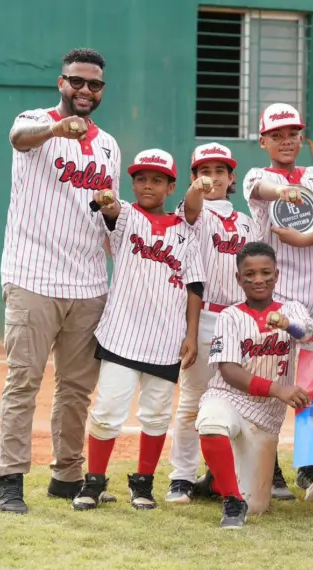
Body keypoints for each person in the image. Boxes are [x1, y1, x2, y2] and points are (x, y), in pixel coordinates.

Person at [0, 47, 121, 514]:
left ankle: (67, 478)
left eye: (95, 84)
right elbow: (18, 139)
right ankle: (9, 480)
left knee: (75, 390)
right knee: (23, 382)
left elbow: (105, 214)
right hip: (32, 277)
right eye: (78, 81)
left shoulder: (109, 145)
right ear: (61, 83)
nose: (86, 90)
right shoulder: (35, 121)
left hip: (88, 284)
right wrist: (55, 129)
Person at [71, 149, 205, 511]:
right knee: (107, 411)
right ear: (132, 184)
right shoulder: (128, 216)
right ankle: (94, 482)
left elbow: (195, 287)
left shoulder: (186, 230)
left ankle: (143, 484)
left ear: (171, 187)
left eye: (157, 180)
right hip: (122, 334)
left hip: (166, 339)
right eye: (141, 179)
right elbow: (111, 209)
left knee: (156, 414)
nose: (148, 185)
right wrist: (107, 200)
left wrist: (191, 335)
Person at [242, 102, 313, 499]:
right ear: (264, 140)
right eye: (277, 135)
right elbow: (261, 190)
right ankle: (269, 470)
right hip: (280, 301)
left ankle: (309, 465)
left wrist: (303, 239)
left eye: (293, 134)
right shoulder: (258, 175)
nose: (286, 141)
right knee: (276, 383)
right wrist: (282, 191)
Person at [193, 241, 313, 528]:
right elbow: (228, 371)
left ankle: (215, 481)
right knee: (211, 421)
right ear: (239, 278)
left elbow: (308, 333)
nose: (258, 279)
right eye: (249, 274)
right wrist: (278, 389)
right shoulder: (230, 316)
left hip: (266, 414)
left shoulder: (292, 309)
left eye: (265, 273)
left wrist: (287, 324)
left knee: (257, 506)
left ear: (276, 275)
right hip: (230, 397)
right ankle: (231, 500)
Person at [166, 143, 260, 504]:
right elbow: (192, 205)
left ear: (232, 177)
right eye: (204, 171)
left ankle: (223, 477)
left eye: (220, 171)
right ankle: (182, 476)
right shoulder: (193, 212)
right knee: (193, 399)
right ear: (193, 177)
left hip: (239, 318)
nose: (213, 177)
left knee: (236, 400)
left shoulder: (247, 222)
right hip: (203, 314)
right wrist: (197, 190)